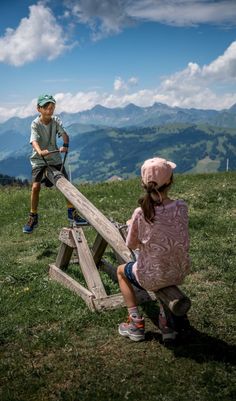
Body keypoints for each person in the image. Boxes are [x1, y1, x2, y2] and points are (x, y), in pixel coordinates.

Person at [117, 157, 191, 342]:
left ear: (143, 183)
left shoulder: (140, 213)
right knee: (161, 265)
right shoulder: (181, 207)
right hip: (179, 271)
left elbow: (131, 245)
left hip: (152, 277)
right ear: (170, 182)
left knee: (120, 272)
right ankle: (166, 325)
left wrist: (132, 226)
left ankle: (135, 323)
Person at [23, 94, 87, 234]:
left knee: (67, 185)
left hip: (55, 158)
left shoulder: (56, 120)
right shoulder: (35, 124)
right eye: (46, 108)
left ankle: (72, 212)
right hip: (40, 160)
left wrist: (65, 144)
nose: (49, 110)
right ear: (39, 109)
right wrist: (40, 151)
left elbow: (64, 134)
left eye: (52, 108)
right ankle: (33, 216)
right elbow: (34, 140)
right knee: (35, 187)